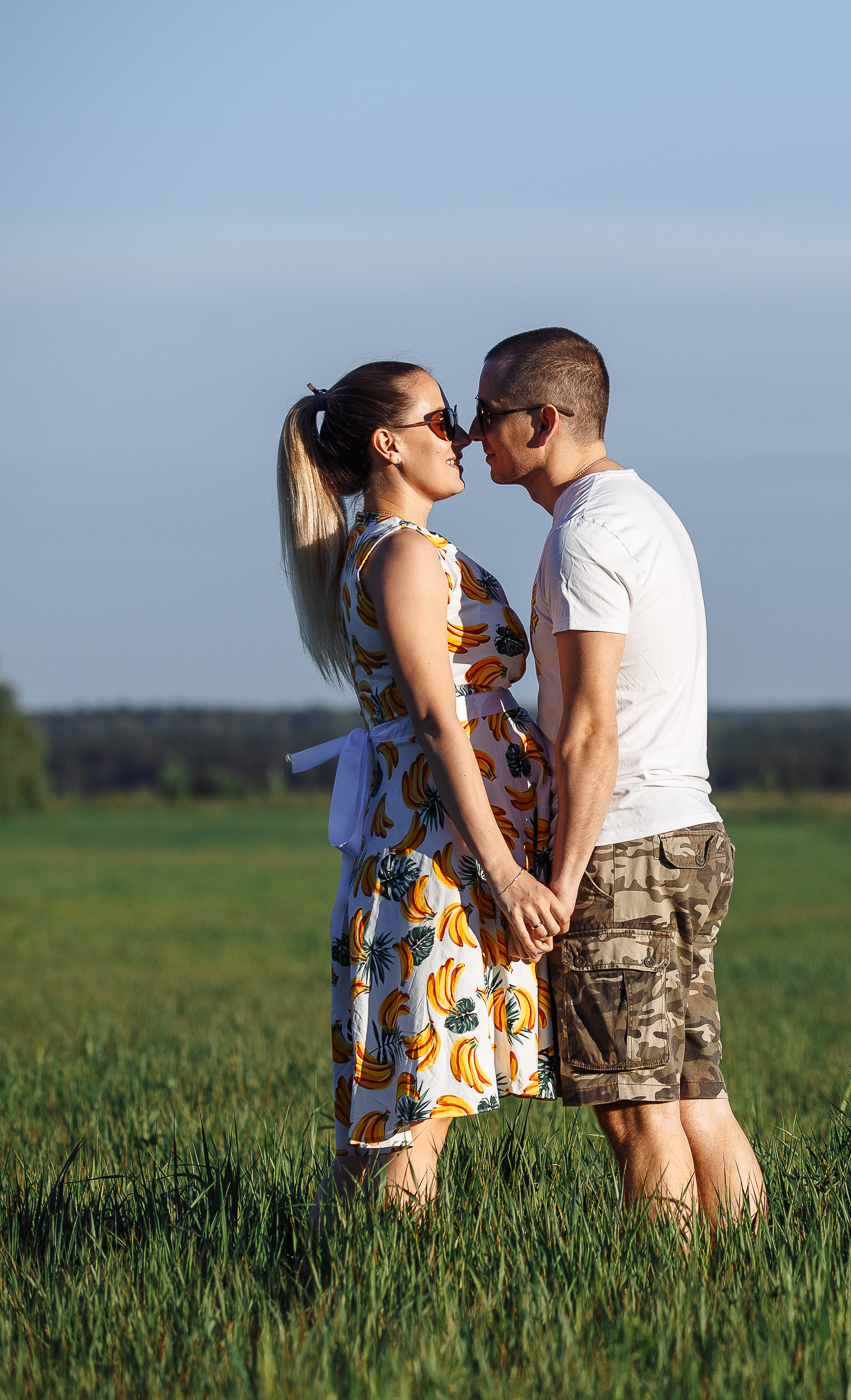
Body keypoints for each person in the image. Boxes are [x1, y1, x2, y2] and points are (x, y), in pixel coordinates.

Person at [470, 327, 765, 1226]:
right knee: (693, 1095)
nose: (470, 433)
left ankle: (663, 1320)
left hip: (624, 847)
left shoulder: (587, 537)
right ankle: (755, 1284)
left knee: (637, 1115)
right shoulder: (644, 514)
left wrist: (559, 882)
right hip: (686, 833)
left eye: (486, 415)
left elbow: (593, 726)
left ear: (544, 419)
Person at [276, 360, 571, 1213]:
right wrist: (506, 874)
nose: (464, 437)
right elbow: (440, 722)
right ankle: (387, 1316)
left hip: (431, 843)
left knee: (398, 1113)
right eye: (442, 421)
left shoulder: (394, 548)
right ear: (388, 444)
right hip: (438, 856)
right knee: (420, 1107)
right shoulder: (399, 554)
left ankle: (323, 1290)